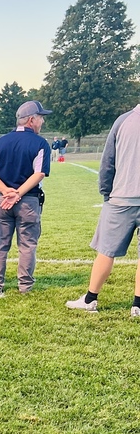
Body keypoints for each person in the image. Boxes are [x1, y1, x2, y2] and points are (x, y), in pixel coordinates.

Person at [67, 102, 140, 316]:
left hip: (120, 198)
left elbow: (108, 162)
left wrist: (106, 192)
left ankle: (91, 299)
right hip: (122, 197)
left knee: (106, 251)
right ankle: (137, 305)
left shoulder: (123, 121)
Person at [0, 101, 52, 295]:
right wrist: (18, 194)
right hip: (27, 201)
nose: (42, 122)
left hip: (1, 201)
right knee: (27, 245)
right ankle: (25, 287)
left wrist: (6, 191)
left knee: (0, 245)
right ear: (32, 120)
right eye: (41, 118)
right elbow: (39, 174)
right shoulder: (40, 144)